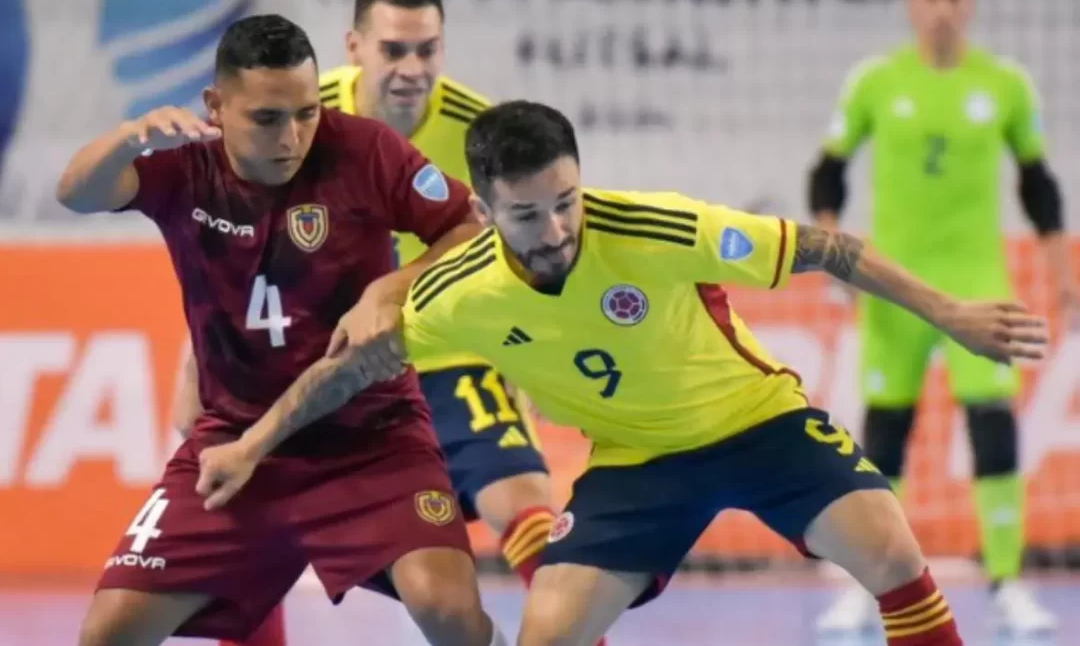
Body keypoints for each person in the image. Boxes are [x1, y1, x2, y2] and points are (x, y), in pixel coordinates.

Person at [196, 100, 1050, 646]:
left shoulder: (654, 227)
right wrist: (255, 442)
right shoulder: (458, 294)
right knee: (548, 634)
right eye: (529, 213)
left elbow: (828, 247)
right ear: (487, 212)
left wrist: (955, 314)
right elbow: (342, 371)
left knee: (893, 551)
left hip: (760, 423)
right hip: (634, 464)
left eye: (566, 199)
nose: (559, 225)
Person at [57, 14, 507, 646]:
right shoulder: (186, 169)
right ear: (216, 106)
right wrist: (130, 137)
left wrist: (391, 287)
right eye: (267, 118)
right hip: (235, 442)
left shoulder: (367, 149)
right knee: (107, 635)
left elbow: (467, 228)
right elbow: (77, 193)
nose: (292, 136)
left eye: (306, 112)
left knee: (452, 616)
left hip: (373, 437)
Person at [171, 0, 557, 646]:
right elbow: (231, 256)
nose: (413, 68)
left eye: (428, 49)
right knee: (239, 504)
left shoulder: (483, 131)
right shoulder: (294, 117)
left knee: (521, 498)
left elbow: (529, 245)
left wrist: (535, 354)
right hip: (319, 366)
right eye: (394, 49)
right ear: (354, 47)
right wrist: (198, 365)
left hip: (453, 350)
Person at [808, 0, 1077, 634]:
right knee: (885, 437)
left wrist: (1061, 276)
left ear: (972, 4)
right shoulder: (875, 81)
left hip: (979, 281)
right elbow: (829, 170)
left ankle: (1008, 583)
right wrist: (830, 253)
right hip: (894, 286)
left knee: (993, 427)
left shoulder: (1004, 84)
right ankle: (867, 588)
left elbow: (1039, 185)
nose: (942, 9)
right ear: (911, 4)